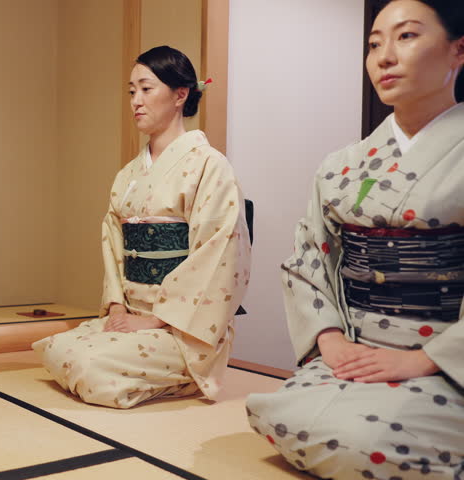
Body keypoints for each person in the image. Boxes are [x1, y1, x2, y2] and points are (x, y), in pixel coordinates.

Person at [246, 1, 464, 478]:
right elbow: (309, 258)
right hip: (356, 354)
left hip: (445, 364)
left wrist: (425, 359)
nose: (384, 56)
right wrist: (328, 339)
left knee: (363, 441)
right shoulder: (341, 164)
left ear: (457, 51)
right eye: (373, 43)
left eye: (406, 36)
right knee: (279, 414)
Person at [33, 46, 252, 409]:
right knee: (56, 347)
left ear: (180, 94)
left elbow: (222, 252)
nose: (136, 100)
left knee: (89, 365)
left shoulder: (209, 166)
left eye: (147, 89)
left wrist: (157, 319)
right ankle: (146, 369)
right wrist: (117, 306)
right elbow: (112, 242)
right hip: (131, 317)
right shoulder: (128, 175)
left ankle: (184, 372)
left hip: (180, 326)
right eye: (131, 91)